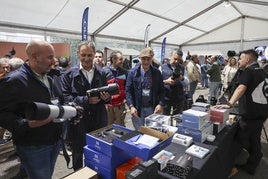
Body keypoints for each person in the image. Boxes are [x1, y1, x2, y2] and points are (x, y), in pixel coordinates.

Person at [0, 40, 63, 179]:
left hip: (55, 139)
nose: (54, 61)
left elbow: (59, 99)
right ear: (34, 57)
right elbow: (2, 113)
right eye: (49, 57)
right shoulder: (13, 81)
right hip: (33, 145)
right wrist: (26, 123)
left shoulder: (52, 75)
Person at [216, 49, 268, 175]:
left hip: (251, 114)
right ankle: (252, 163)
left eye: (240, 58)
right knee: (254, 137)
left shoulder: (248, 71)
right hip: (262, 112)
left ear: (248, 59)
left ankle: (254, 156)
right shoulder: (263, 71)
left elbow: (240, 88)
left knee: (241, 138)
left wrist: (229, 104)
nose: (238, 61)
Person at [61, 41, 110, 170]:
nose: (87, 58)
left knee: (98, 152)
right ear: (78, 54)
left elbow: (106, 94)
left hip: (98, 120)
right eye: (83, 55)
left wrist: (106, 98)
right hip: (78, 122)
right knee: (78, 152)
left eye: (89, 55)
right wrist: (86, 101)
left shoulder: (102, 72)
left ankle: (96, 173)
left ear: (94, 54)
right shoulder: (68, 74)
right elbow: (66, 99)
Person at [126, 47, 165, 130]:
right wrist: (131, 106)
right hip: (137, 108)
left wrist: (161, 104)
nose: (146, 62)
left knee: (152, 132)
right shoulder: (132, 72)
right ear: (140, 59)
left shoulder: (157, 73)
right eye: (143, 59)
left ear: (152, 59)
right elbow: (128, 91)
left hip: (152, 108)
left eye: (148, 59)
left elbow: (162, 90)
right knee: (139, 132)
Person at [103, 50, 128, 126]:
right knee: (107, 127)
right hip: (108, 106)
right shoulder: (104, 72)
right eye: (120, 59)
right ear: (113, 59)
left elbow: (126, 87)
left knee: (120, 127)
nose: (122, 61)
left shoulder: (125, 72)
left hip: (120, 106)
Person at [160, 49, 185, 115]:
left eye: (179, 60)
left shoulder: (182, 68)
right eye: (175, 59)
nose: (177, 61)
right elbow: (156, 82)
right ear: (171, 56)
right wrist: (166, 81)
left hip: (178, 97)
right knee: (165, 116)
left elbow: (187, 82)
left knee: (177, 117)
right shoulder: (162, 67)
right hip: (166, 97)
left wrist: (182, 78)